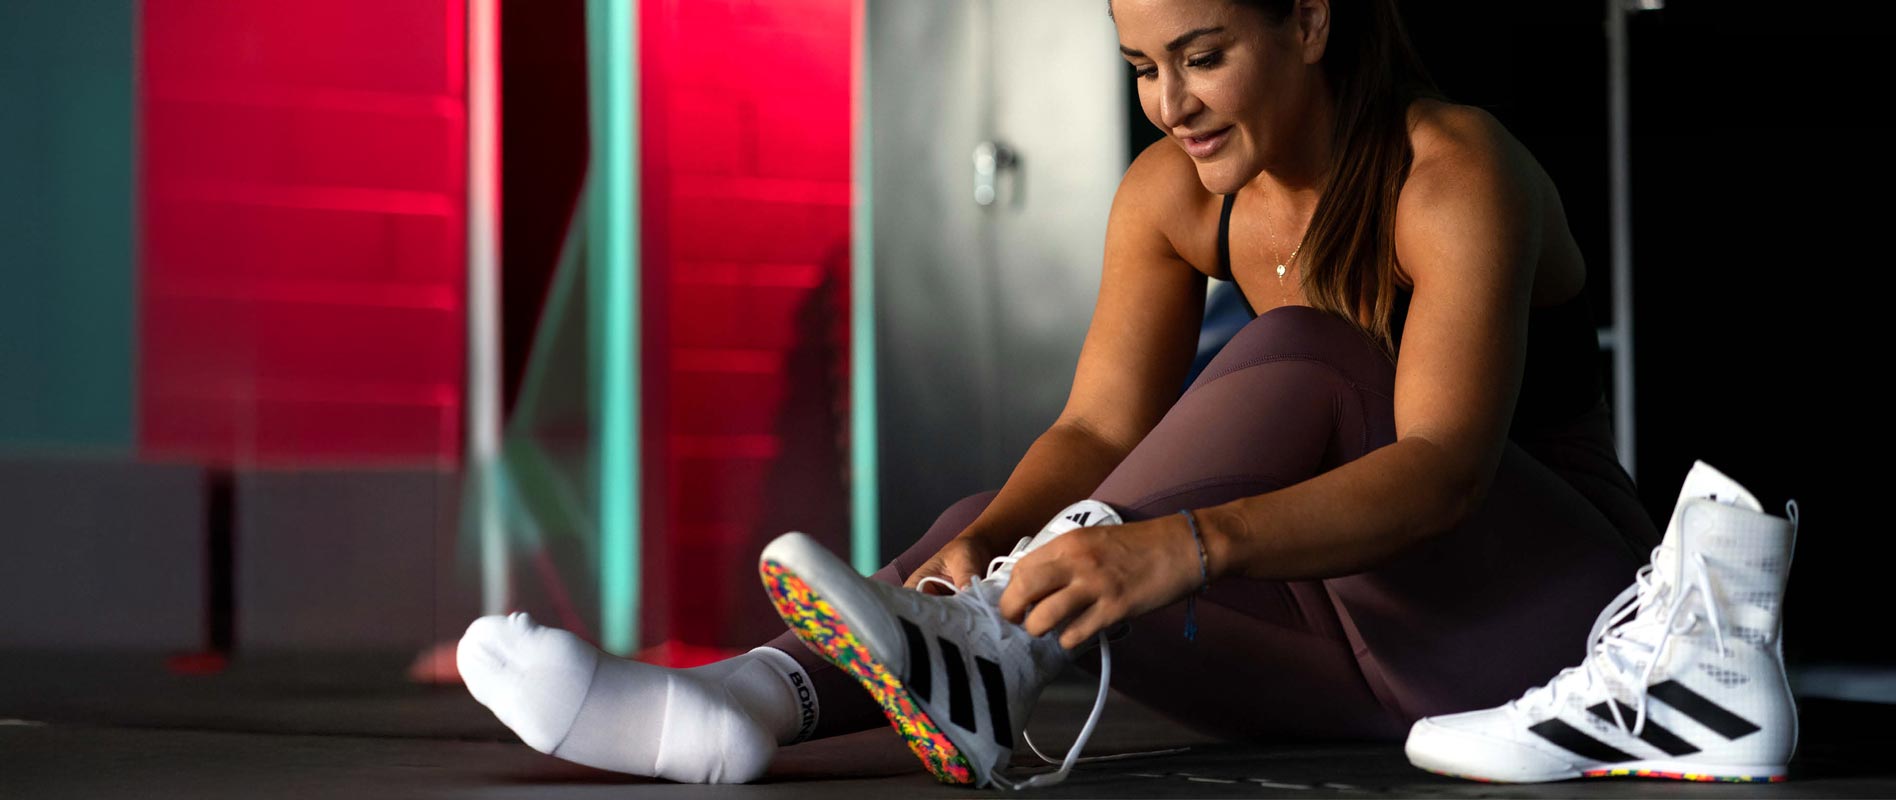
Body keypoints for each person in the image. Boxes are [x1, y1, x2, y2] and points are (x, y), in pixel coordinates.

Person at [455, 0, 1673, 786]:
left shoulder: (1449, 170)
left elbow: (1444, 467)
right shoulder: (1172, 194)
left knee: (1307, 352)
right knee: (1011, 523)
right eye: (1142, 66)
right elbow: (1095, 431)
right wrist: (992, 544)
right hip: (1358, 677)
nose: (1169, 102)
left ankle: (988, 648)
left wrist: (1179, 546)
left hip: (1548, 644)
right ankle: (734, 706)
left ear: (1308, 21)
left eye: (1203, 58)